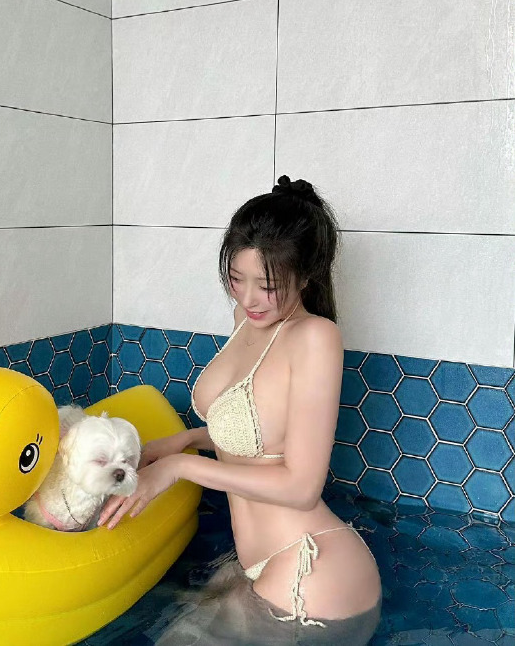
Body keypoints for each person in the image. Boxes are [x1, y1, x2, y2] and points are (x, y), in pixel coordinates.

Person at [98, 175, 382, 645]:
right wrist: (186, 440)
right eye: (236, 278)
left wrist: (179, 466)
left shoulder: (315, 337)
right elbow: (259, 436)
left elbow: (301, 487)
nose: (247, 299)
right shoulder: (245, 321)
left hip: (311, 574)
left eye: (267, 285)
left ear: (306, 275)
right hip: (255, 564)